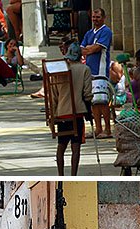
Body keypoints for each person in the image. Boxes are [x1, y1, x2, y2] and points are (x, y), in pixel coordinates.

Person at [49, 42, 92, 176]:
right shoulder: (85, 69)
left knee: (61, 146)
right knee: (76, 146)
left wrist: (53, 114)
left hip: (62, 112)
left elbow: (53, 95)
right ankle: (74, 174)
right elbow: (87, 94)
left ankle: (60, 174)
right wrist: (89, 112)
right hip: (77, 112)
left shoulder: (59, 70)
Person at [81, 8, 113, 138]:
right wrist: (89, 49)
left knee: (102, 101)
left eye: (98, 17)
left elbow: (96, 48)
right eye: (94, 17)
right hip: (89, 70)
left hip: (100, 70)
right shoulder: (89, 33)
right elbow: (82, 49)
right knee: (93, 101)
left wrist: (90, 48)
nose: (95, 19)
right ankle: (98, 128)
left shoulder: (106, 31)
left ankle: (108, 129)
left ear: (103, 18)